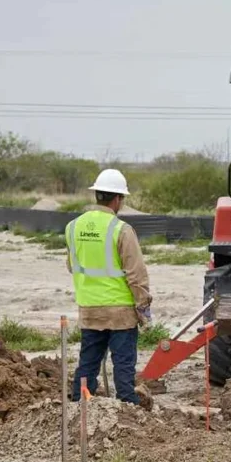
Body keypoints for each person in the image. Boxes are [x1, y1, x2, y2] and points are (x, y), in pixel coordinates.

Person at [65, 168, 152, 405]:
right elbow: (136, 275)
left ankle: (79, 408)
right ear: (118, 199)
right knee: (123, 364)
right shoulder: (121, 229)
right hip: (120, 311)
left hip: (89, 308)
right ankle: (127, 409)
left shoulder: (73, 227)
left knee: (88, 362)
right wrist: (143, 307)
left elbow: (72, 266)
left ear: (97, 195)